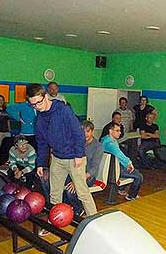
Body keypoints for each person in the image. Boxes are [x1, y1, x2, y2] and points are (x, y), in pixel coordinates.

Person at [26, 83, 97, 217]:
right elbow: (42, 143)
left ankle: (94, 220)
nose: (37, 107)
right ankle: (55, 221)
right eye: (33, 105)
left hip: (74, 157)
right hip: (57, 159)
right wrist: (41, 163)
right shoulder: (39, 119)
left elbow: (78, 133)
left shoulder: (63, 110)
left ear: (45, 96)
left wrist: (79, 155)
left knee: (82, 192)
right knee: (55, 194)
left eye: (38, 103)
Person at [41, 121, 104, 216]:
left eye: (87, 131)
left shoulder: (98, 146)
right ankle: (59, 210)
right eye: (82, 131)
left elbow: (94, 168)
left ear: (92, 131)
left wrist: (77, 181)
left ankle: (79, 210)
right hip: (73, 173)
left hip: (88, 176)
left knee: (71, 191)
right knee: (46, 180)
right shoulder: (75, 143)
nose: (85, 134)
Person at [102, 122, 143, 201]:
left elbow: (119, 156)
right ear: (110, 131)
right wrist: (129, 163)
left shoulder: (106, 139)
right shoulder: (110, 144)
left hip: (111, 167)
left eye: (119, 130)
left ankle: (120, 188)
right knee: (139, 176)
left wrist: (127, 164)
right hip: (113, 170)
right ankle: (131, 196)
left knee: (135, 171)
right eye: (117, 131)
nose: (120, 133)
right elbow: (119, 154)